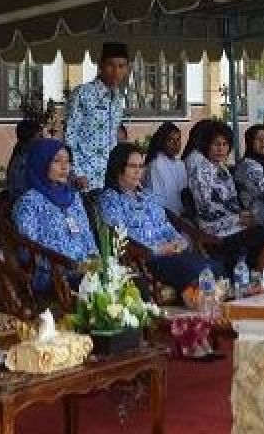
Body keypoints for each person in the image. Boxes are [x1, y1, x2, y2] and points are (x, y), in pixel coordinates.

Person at [100, 144, 219, 296]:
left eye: (141, 166)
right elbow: (119, 238)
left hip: (171, 254)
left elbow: (166, 226)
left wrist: (179, 242)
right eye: (132, 166)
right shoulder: (110, 199)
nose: (138, 172)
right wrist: (158, 250)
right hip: (145, 259)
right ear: (118, 168)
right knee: (198, 271)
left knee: (215, 267)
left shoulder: (146, 196)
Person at [186, 123, 264, 273]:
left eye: (225, 144)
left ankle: (257, 278)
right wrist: (239, 218)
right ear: (207, 146)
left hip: (234, 224)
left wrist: (246, 216)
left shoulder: (223, 169)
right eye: (216, 144)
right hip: (215, 229)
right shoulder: (202, 171)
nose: (221, 149)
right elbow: (207, 208)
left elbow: (232, 204)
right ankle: (259, 282)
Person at [12, 139, 98, 293]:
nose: (65, 167)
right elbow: (27, 249)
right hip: (53, 275)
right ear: (41, 163)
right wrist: (66, 264)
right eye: (57, 161)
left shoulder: (74, 198)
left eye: (68, 161)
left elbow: (87, 235)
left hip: (84, 270)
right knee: (99, 288)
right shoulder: (29, 202)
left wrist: (95, 262)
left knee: (127, 281)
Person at [65, 42, 130, 190]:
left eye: (121, 66)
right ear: (101, 65)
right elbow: (70, 135)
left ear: (127, 69)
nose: (116, 71)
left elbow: (114, 138)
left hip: (110, 177)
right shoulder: (82, 93)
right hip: (84, 179)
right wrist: (75, 172)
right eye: (111, 65)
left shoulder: (118, 99)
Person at [144, 122, 188, 215]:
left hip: (181, 216)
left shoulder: (180, 164)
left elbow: (184, 195)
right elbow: (157, 201)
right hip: (165, 217)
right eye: (170, 140)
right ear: (162, 142)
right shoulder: (155, 165)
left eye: (178, 139)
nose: (176, 144)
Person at [6, 118, 43, 202]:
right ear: (30, 138)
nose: (43, 140)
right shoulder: (24, 161)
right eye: (40, 136)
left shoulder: (19, 156)